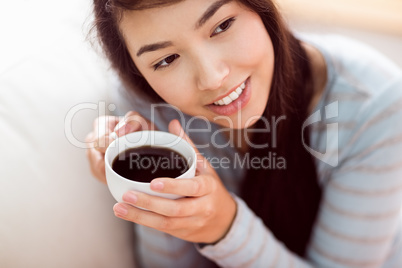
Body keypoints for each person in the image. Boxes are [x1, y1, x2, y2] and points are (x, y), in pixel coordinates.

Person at [85, 0, 402, 267]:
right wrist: (146, 177)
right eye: (166, 59)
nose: (212, 77)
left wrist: (224, 227)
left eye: (221, 26)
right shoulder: (149, 100)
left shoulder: (375, 105)